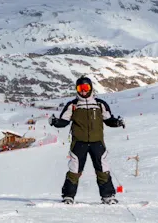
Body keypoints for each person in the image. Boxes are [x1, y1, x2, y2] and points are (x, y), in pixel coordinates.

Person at [49, 76, 125, 205]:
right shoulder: (73, 105)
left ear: (90, 88)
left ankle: (108, 196)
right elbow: (64, 121)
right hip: (79, 142)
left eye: (86, 88)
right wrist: (55, 122)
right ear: (77, 90)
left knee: (102, 168)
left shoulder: (100, 104)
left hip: (97, 142)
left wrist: (117, 122)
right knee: (75, 169)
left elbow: (108, 120)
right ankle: (68, 196)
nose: (83, 91)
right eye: (80, 88)